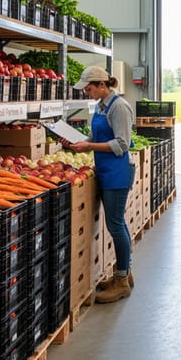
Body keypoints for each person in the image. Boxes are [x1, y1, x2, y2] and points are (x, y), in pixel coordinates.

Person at [66, 65, 136, 302]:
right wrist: (80, 142)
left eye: (88, 88)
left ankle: (122, 281)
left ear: (101, 85)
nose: (87, 92)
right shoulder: (101, 107)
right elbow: (98, 137)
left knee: (115, 225)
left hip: (118, 171)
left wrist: (89, 147)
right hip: (106, 170)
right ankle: (124, 272)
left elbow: (122, 144)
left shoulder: (119, 108)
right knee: (118, 224)